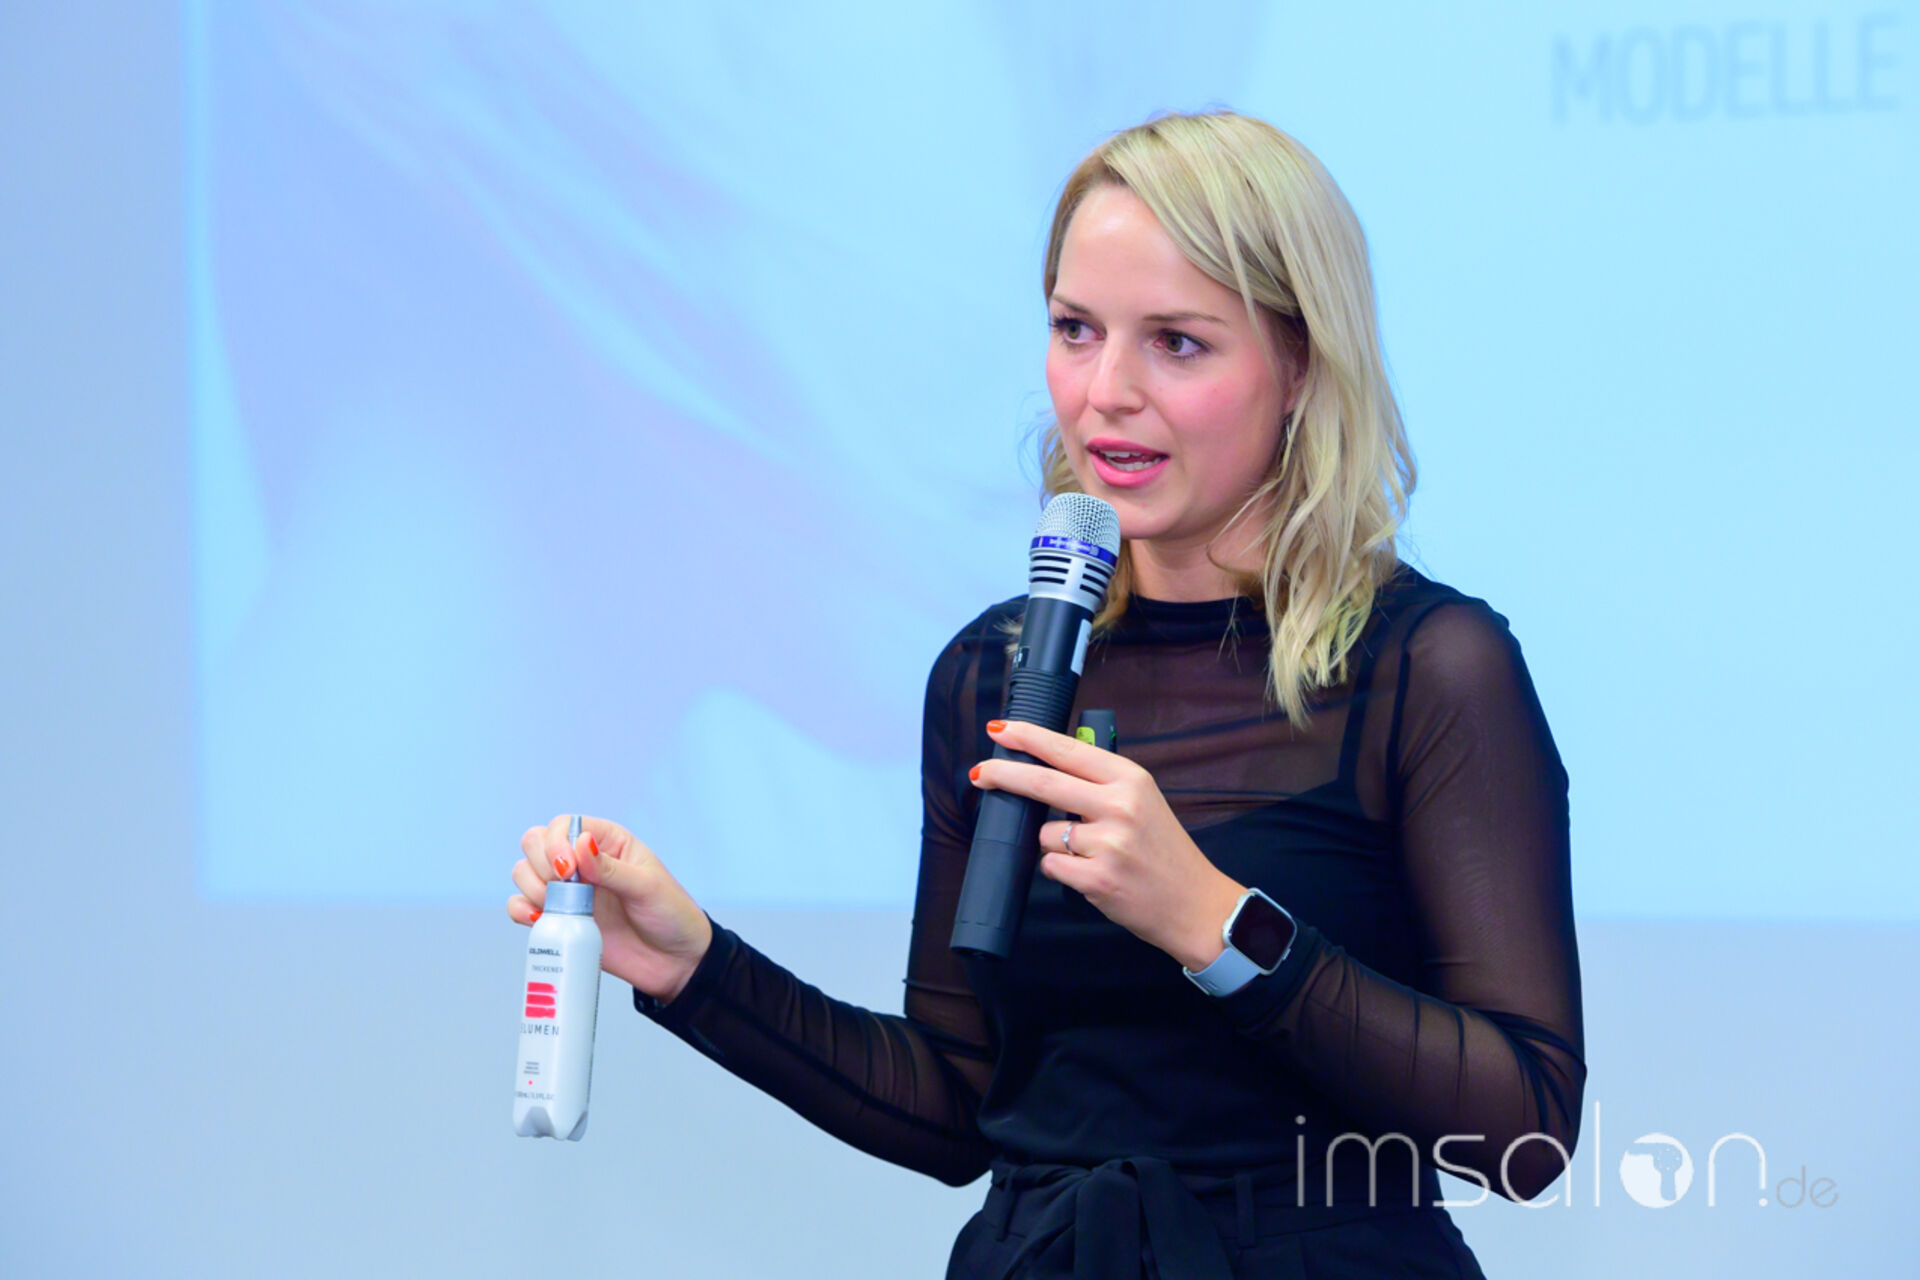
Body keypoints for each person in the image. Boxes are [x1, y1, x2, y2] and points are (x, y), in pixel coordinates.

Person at [507, 109, 1585, 1278]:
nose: (1105, 391)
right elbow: (957, 1104)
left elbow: (1525, 1130)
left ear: (1300, 366)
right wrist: (695, 966)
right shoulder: (996, 668)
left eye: (1177, 342)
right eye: (1077, 329)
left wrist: (1214, 924)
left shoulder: (1431, 665)